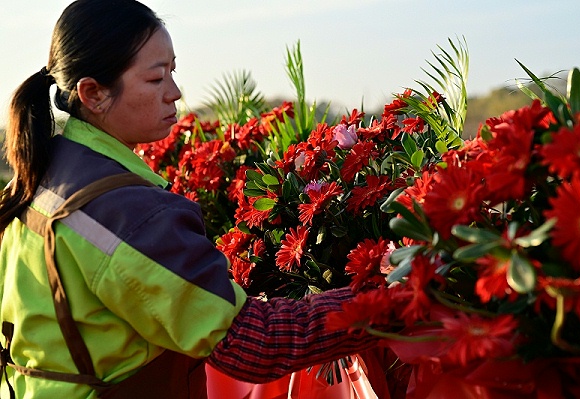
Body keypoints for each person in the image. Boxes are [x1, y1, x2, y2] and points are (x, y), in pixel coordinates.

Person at [0, 1, 379, 398]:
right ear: (93, 93)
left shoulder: (40, 179)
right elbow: (251, 343)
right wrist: (391, 298)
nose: (175, 93)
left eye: (173, 72)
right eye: (156, 78)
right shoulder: (125, 211)